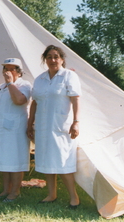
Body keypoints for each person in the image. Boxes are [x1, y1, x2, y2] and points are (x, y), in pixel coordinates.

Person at [27, 45, 81, 209]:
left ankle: (74, 197)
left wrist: (76, 121)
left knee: (63, 162)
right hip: (42, 126)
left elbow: (76, 99)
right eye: (49, 57)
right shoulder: (40, 79)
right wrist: (30, 123)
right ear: (45, 60)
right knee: (46, 161)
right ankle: (51, 194)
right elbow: (34, 102)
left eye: (56, 56)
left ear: (62, 59)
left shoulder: (69, 76)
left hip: (60, 126)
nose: (52, 60)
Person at [0, 58, 32, 202]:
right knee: (4, 159)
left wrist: (10, 83)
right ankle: (6, 190)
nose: (7, 72)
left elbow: (19, 100)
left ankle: (15, 191)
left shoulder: (24, 84)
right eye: (5, 69)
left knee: (16, 160)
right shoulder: (1, 86)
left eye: (11, 69)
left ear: (18, 72)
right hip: (0, 128)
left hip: (15, 130)